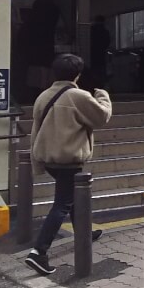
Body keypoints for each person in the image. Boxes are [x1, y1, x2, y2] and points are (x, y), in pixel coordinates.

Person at [25, 54, 112, 276]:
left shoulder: (43, 96)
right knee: (62, 203)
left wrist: (37, 164)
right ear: (77, 74)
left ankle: (84, 231)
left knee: (71, 198)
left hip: (50, 159)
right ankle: (39, 251)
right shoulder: (77, 96)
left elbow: (35, 130)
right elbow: (101, 117)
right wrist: (102, 95)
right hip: (69, 160)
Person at [89, 16, 111, 85]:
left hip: (92, 53)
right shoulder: (105, 31)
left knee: (93, 70)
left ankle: (94, 84)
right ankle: (101, 85)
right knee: (101, 71)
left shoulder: (91, 29)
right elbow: (107, 42)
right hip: (102, 54)